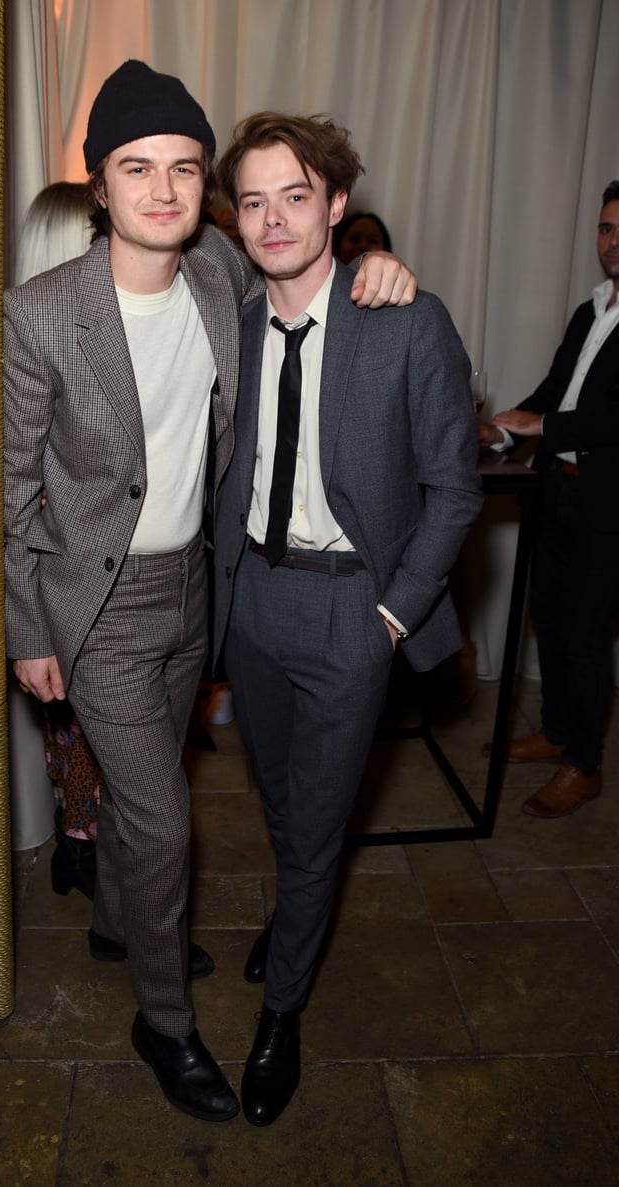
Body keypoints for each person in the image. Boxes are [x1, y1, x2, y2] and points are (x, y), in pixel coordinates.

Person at [4, 59, 416, 1124]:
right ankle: (164, 1023)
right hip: (96, 607)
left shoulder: (215, 276)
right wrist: (29, 625)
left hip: (198, 590)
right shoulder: (43, 315)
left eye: (186, 168)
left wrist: (381, 268)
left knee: (151, 814)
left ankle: (115, 921)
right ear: (98, 185)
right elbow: (3, 493)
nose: (163, 190)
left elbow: (312, 275)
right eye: (136, 169)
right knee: (167, 820)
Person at [213, 111, 482, 1126]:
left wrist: (391, 617)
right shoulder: (233, 323)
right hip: (255, 602)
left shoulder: (406, 320)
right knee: (279, 801)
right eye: (253, 200)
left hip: (352, 611)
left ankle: (283, 1011)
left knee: (319, 827)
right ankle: (293, 918)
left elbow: (454, 491)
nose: (275, 218)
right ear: (234, 221)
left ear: (334, 204)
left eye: (295, 195)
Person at [478, 180, 619, 819]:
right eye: (606, 228)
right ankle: (559, 730)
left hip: (607, 503)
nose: (613, 242)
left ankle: (583, 765)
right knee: (551, 619)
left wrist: (545, 427)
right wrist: (504, 429)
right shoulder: (592, 310)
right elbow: (557, 390)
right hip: (556, 492)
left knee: (586, 635)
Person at [14, 181, 102, 903]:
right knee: (91, 726)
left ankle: (78, 846)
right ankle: (87, 852)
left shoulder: (19, 331)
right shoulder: (42, 335)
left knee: (70, 725)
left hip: (47, 579)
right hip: (70, 575)